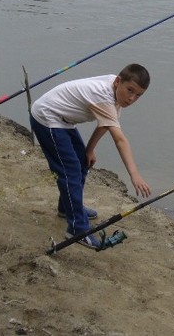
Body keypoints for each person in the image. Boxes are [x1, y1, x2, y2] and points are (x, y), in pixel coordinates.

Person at [29, 64, 152, 250]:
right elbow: (119, 140)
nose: (132, 98)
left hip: (65, 121)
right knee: (69, 171)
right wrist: (134, 175)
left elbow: (105, 122)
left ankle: (67, 207)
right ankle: (77, 229)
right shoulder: (103, 95)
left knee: (82, 162)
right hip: (48, 117)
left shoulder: (116, 90)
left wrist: (89, 150)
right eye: (130, 91)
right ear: (118, 81)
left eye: (138, 95)